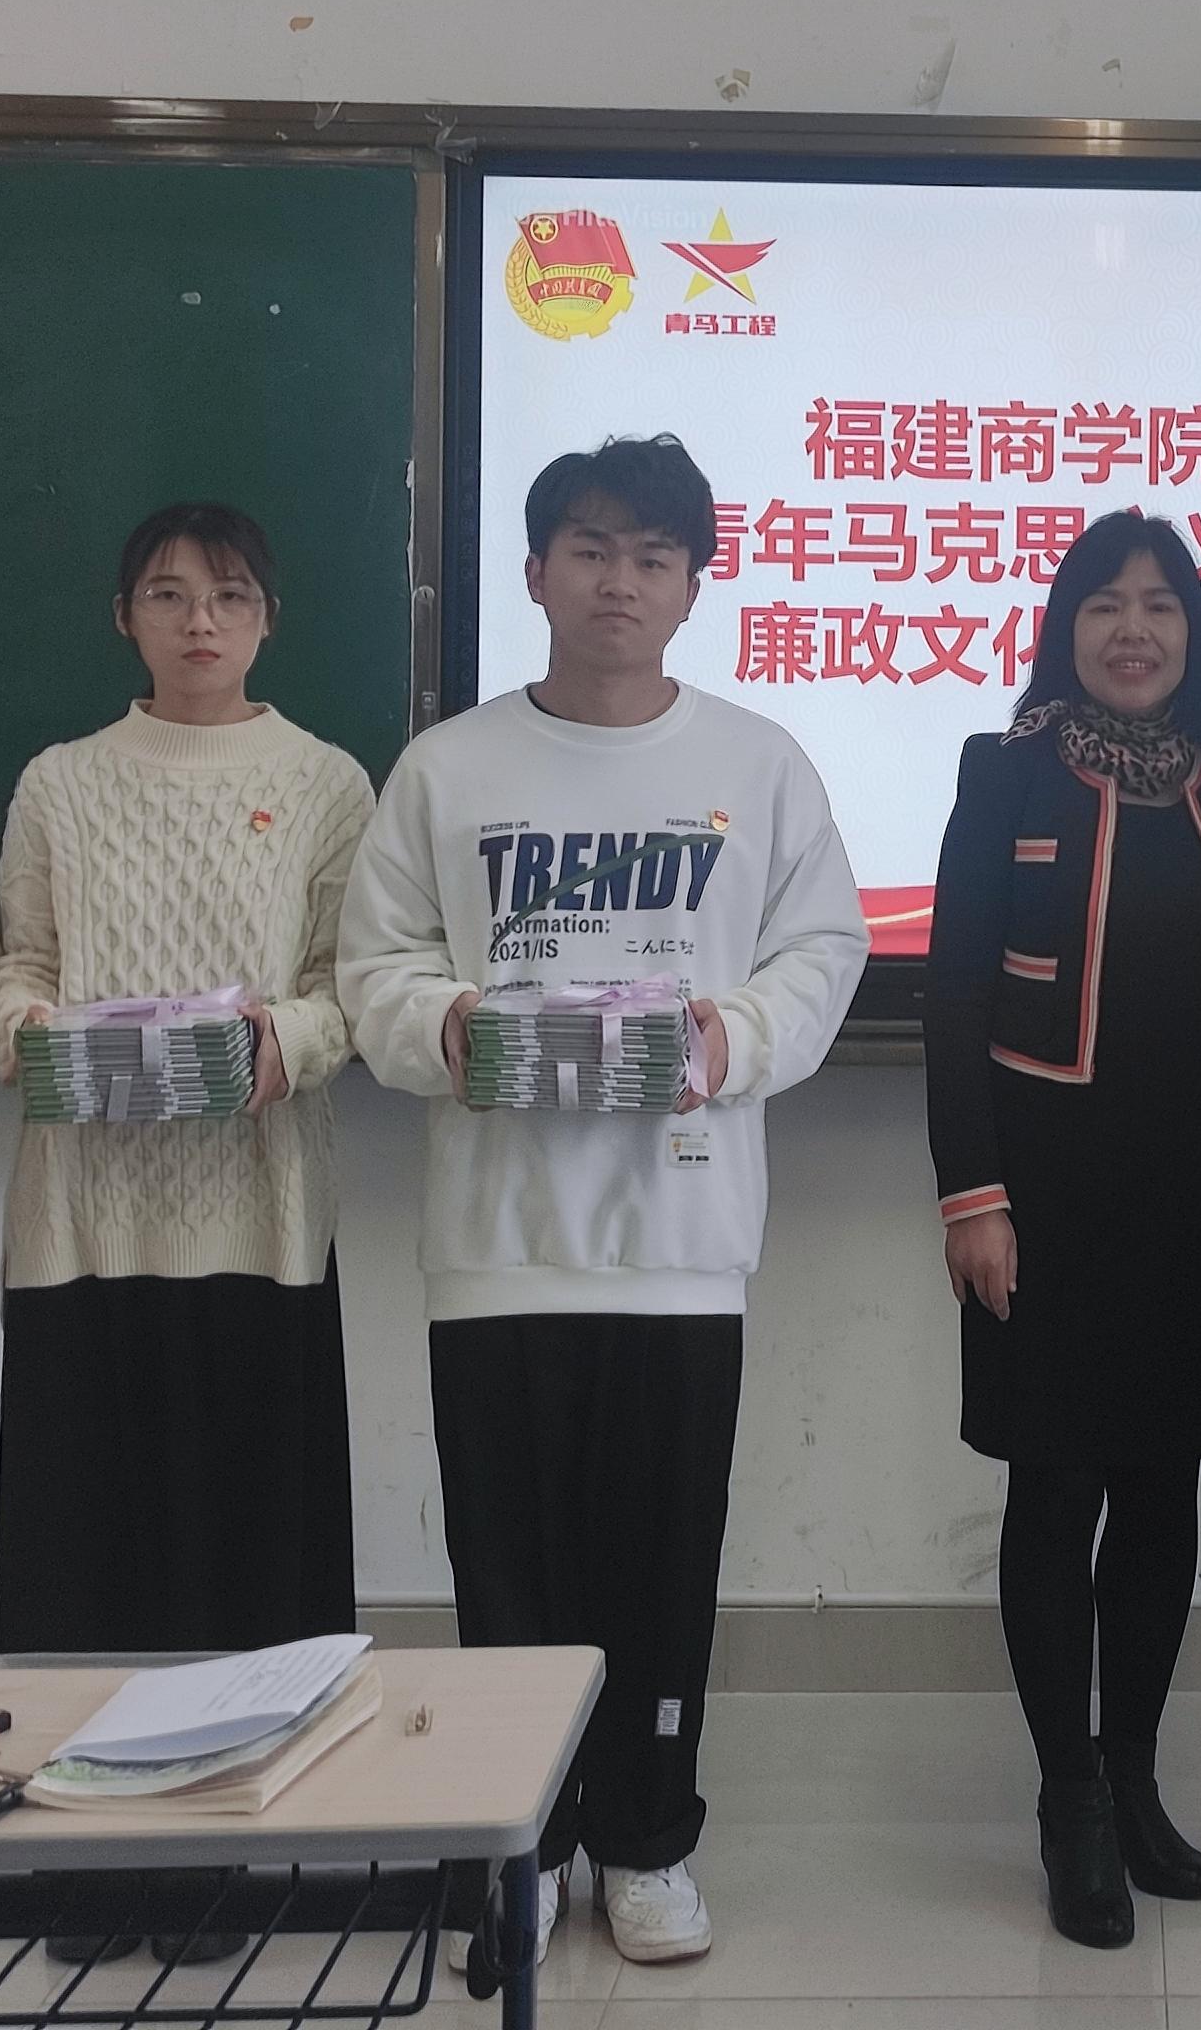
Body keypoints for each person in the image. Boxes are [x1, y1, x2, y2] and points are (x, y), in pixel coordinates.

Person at [341, 435, 871, 1969]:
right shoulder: (449, 769)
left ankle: (646, 1844)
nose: (619, 580)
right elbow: (374, 966)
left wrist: (726, 1040)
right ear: (534, 574)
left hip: (680, 1246)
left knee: (659, 1569)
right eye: (589, 548)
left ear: (695, 584)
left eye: (652, 555)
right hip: (499, 1243)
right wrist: (446, 1026)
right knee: (507, 1577)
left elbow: (822, 953)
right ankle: (519, 1845)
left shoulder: (758, 765)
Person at [922, 512, 1201, 1950]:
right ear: (1064, 628)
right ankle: (1067, 1796)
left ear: (1196, 633)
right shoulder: (1005, 769)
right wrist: (973, 1195)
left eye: (1160, 605)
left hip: (1196, 1186)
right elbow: (955, 993)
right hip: (1045, 1192)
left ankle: (1134, 1773)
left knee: (1164, 1487)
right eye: (1103, 605)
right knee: (1054, 1483)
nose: (1133, 629)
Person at [0, 504, 377, 1662]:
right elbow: (19, 964)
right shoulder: (59, 782)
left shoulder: (326, 783)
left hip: (262, 1216)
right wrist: (24, 1029)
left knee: (260, 1566)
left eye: (229, 595)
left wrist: (284, 1039)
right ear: (124, 617)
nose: (200, 619)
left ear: (267, 618)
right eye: (167, 594)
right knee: (85, 1563)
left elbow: (347, 984)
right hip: (83, 1223)